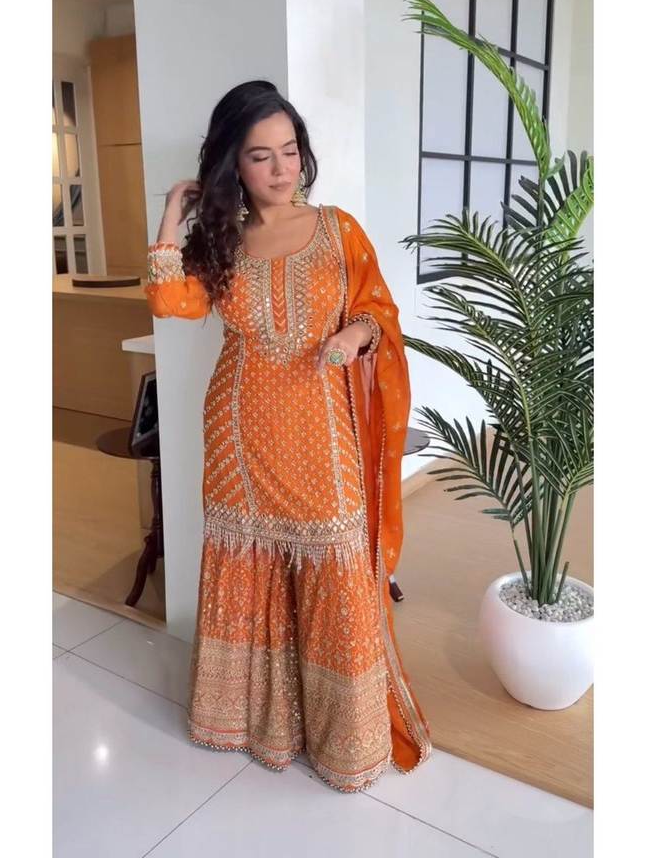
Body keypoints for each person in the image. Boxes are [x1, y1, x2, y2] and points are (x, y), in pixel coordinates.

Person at [144, 80, 432, 793]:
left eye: (290, 150)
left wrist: (356, 336)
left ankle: (344, 741)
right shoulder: (223, 240)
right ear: (233, 165)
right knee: (250, 559)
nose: (280, 169)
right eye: (260, 156)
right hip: (240, 429)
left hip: (323, 425)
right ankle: (242, 720)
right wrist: (174, 211)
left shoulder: (338, 230)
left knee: (334, 555)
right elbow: (172, 301)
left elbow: (378, 311)